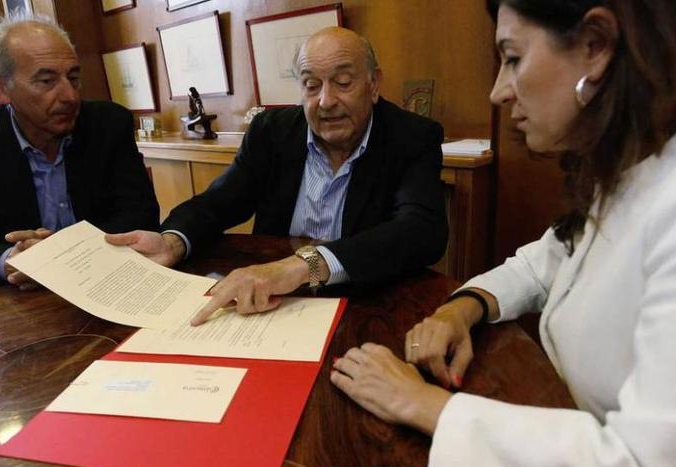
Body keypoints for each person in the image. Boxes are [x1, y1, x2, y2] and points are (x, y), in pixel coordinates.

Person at [331, 1, 676, 467]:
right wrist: (462, 309)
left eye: (512, 58)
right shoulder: (636, 165)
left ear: (595, 47)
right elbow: (543, 262)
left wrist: (423, 405)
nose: (498, 92)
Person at [107, 27, 447, 325]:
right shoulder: (273, 132)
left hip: (366, 302)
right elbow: (219, 203)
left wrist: (303, 266)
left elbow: (421, 231)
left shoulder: (411, 137)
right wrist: (173, 240)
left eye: (343, 83)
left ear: (373, 85)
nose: (326, 101)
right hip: (273, 306)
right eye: (312, 86)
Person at [0, 13, 159, 288]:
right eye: (46, 81)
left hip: (108, 281)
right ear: (0, 88)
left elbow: (141, 216)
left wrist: (62, 255)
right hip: (28, 300)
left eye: (73, 78)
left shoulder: (108, 124)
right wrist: (11, 259)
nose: (70, 96)